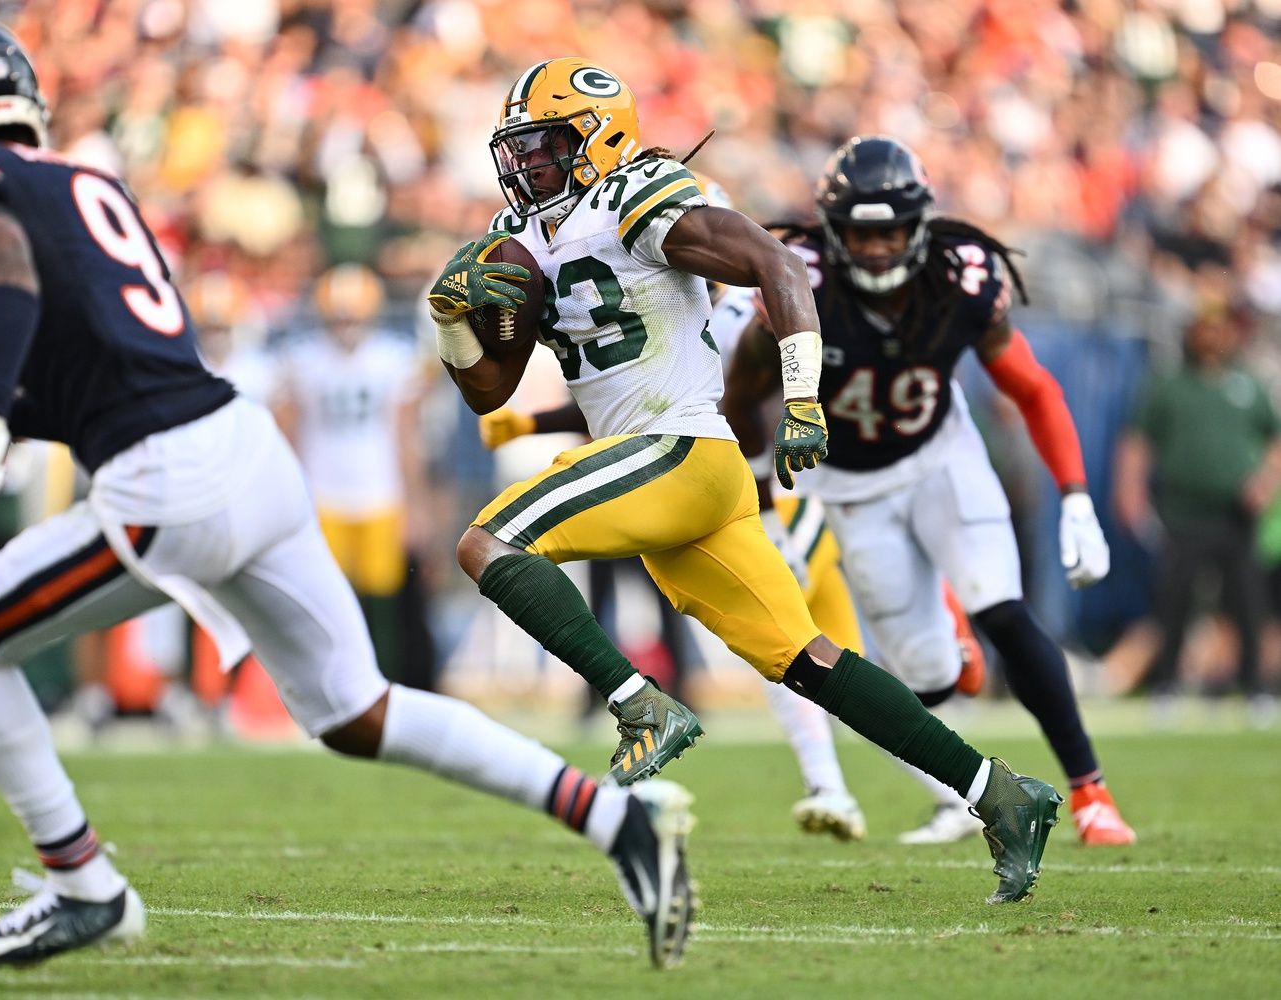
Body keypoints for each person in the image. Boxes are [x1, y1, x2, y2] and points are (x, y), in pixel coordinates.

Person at [0, 21, 696, 969]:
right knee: (358, 711)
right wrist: (16, 413)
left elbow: (0, 266)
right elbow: (127, 382)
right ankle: (619, 823)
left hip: (170, 482)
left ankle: (83, 884)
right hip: (241, 449)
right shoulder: (88, 184)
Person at [427, 56, 1061, 903]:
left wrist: (802, 397)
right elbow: (490, 389)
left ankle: (640, 705)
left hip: (678, 452)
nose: (527, 162)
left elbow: (778, 266)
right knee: (809, 661)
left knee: (488, 542)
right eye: (522, 147)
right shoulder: (528, 233)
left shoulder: (635, 193)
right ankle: (1003, 795)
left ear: (595, 138)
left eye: (544, 145)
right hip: (676, 475)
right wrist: (454, 326)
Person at [724, 136, 1135, 846]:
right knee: (930, 677)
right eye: (860, 231)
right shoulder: (800, 281)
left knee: (1003, 607)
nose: (878, 247)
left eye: (890, 230)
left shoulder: (962, 276)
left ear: (919, 225)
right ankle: (953, 646)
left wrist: (1075, 495)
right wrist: (763, 507)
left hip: (944, 456)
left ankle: (1092, 792)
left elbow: (1032, 387)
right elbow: (742, 395)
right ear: (833, 229)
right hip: (851, 485)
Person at [1113, 300, 1281, 721]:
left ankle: (1257, 688)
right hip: (1184, 510)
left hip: (1236, 513)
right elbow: (1137, 441)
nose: (1212, 335)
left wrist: (1264, 484)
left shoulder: (1248, 383)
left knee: (1246, 600)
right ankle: (1165, 685)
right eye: (1204, 326)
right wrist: (1130, 493)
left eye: (1219, 327)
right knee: (1175, 598)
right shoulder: (1170, 383)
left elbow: (1274, 442)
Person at [275, 264, 434, 687]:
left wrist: (416, 506)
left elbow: (406, 440)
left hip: (381, 493)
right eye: (339, 317)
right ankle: (333, 685)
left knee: (384, 603)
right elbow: (287, 436)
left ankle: (382, 685)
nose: (346, 326)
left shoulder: (392, 359)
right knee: (328, 602)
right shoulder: (304, 361)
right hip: (323, 494)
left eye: (353, 316)